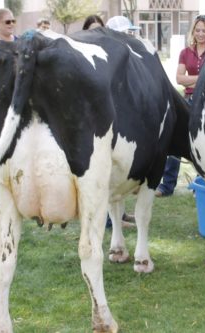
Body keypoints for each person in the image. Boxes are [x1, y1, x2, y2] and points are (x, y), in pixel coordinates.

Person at [155, 14, 205, 198]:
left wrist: (192, 81)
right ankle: (167, 186)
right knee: (177, 140)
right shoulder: (185, 52)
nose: (201, 34)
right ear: (193, 31)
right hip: (188, 101)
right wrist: (202, 78)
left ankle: (202, 184)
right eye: (198, 30)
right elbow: (179, 78)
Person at [83, 15, 135, 228]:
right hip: (94, 121)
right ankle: (105, 221)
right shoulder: (84, 57)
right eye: (93, 30)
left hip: (113, 116)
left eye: (100, 30)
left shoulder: (109, 54)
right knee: (99, 171)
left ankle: (119, 215)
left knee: (115, 169)